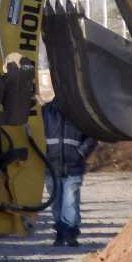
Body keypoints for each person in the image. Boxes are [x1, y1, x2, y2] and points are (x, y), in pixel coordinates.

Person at [41, 97, 97, 247]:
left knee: (71, 200)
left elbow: (93, 135)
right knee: (56, 202)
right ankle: (61, 231)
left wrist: (80, 153)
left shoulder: (80, 113)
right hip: (51, 166)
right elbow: (37, 134)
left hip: (73, 166)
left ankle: (70, 232)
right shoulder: (46, 112)